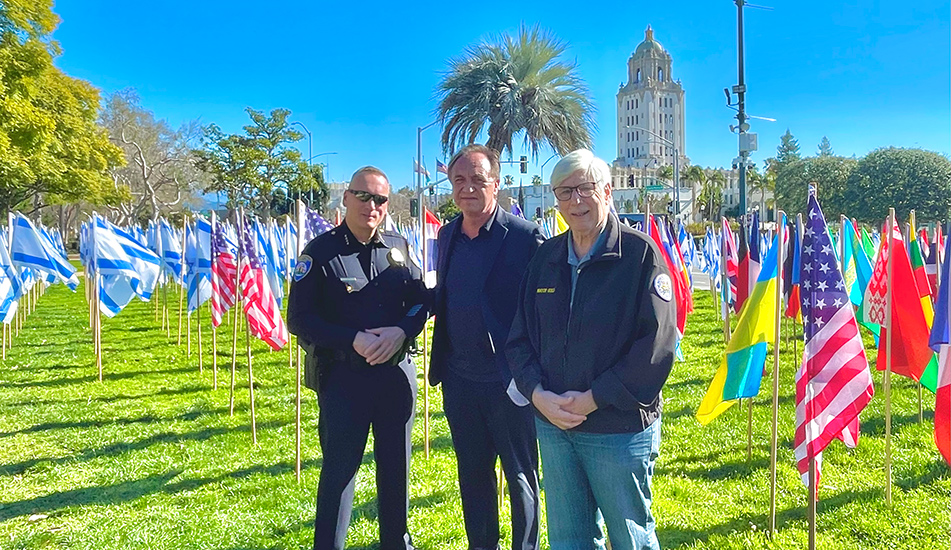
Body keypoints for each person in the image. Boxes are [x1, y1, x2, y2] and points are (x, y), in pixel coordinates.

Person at [505, 149, 678, 550]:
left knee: (629, 537)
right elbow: (520, 338)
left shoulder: (640, 255)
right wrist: (537, 394)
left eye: (585, 188)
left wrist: (594, 399)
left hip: (615, 428)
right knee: (568, 540)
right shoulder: (545, 257)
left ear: (608, 191)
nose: (575, 201)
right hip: (554, 425)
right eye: (564, 192)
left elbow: (656, 347)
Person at [287, 166, 430, 550]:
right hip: (343, 380)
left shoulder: (398, 246)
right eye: (363, 196)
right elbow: (299, 319)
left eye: (380, 199)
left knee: (396, 469)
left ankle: (396, 543)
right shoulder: (320, 252)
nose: (372, 206)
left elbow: (422, 301)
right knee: (340, 471)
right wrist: (352, 339)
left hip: (396, 378)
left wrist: (403, 330)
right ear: (346, 198)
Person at [430, 144, 545, 550]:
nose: (468, 188)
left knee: (521, 477)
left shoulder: (524, 236)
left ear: (496, 184)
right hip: (459, 381)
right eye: (459, 180)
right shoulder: (446, 235)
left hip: (508, 382)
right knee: (472, 475)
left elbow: (541, 306)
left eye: (478, 180)